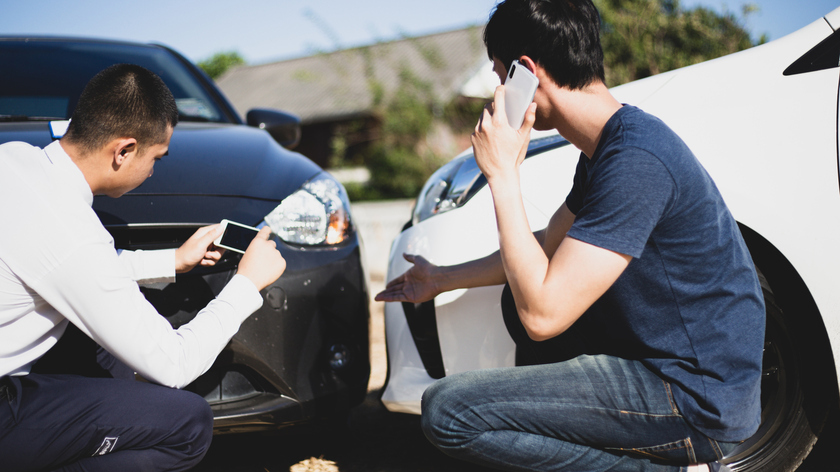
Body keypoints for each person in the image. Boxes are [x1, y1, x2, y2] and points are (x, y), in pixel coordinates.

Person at [375, 1, 765, 471]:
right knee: (513, 309)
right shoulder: (612, 146)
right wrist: (442, 278)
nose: (499, 94)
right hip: (678, 375)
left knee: (448, 412)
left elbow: (543, 315)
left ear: (526, 73)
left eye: (502, 79)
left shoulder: (636, 159)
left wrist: (502, 175)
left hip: (692, 398)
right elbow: (545, 245)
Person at [0, 64, 286, 472]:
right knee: (187, 422)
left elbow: (65, 266)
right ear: (123, 150)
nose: (154, 170)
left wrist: (173, 259)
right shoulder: (72, 230)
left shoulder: (14, 159)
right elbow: (173, 364)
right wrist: (247, 284)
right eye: (156, 157)